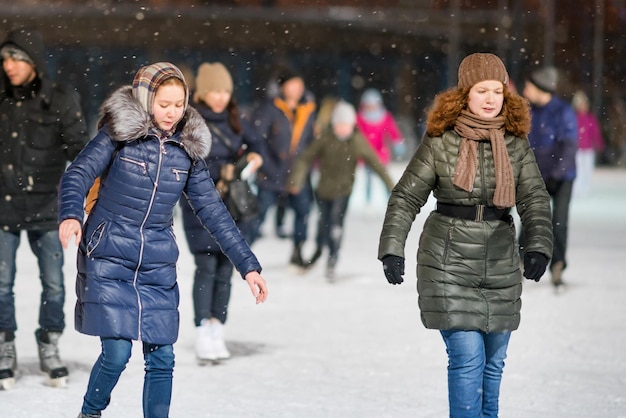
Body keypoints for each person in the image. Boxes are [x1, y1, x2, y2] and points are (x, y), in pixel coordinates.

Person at [57, 62, 268, 418]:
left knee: (162, 357)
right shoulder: (118, 132)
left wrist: (248, 266)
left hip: (156, 261)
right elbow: (78, 173)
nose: (172, 113)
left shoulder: (187, 150)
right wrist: (71, 214)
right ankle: (90, 413)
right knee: (117, 354)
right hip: (108, 253)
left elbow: (214, 211)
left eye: (178, 104)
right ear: (145, 99)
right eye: (164, 104)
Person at [378, 53, 553, 417]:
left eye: (497, 91)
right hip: (448, 261)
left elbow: (534, 197)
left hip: (500, 260)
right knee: (468, 359)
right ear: (464, 95)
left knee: (494, 361)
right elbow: (406, 195)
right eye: (481, 90)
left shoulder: (515, 143)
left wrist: (538, 244)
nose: (490, 99)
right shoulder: (441, 140)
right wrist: (392, 248)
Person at [0, 27, 89, 390]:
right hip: (3, 208)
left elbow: (80, 152)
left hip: (47, 208)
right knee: (1, 286)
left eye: (15, 58)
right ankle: (4, 346)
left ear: (32, 61)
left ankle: (49, 345)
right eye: (4, 59)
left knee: (53, 285)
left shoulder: (60, 98)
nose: (8, 66)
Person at [179, 62, 264, 363]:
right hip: (200, 204)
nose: (220, 97)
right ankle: (203, 327)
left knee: (227, 270)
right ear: (203, 91)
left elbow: (256, 145)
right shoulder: (190, 120)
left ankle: (218, 326)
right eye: (215, 90)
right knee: (206, 268)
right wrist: (220, 171)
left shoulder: (235, 118)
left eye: (225, 91)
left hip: (232, 207)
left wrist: (252, 157)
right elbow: (186, 159)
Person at [289, 100, 394, 280]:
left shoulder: (357, 140)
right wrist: (296, 180)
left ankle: (332, 259)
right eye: (339, 125)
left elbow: (376, 163)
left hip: (343, 191)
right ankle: (318, 251)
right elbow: (305, 158)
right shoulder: (325, 138)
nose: (342, 129)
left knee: (335, 225)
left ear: (352, 125)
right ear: (333, 124)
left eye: (346, 125)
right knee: (323, 224)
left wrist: (391, 186)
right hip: (322, 191)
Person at [251, 69, 317, 267]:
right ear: (283, 87)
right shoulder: (270, 108)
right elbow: (258, 139)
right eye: (293, 84)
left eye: (300, 84)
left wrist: (306, 166)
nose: (297, 89)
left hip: (298, 173)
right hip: (272, 171)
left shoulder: (309, 109)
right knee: (258, 213)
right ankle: (240, 253)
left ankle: (297, 251)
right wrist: (266, 165)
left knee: (303, 210)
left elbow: (311, 141)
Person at [522, 65, 578, 287]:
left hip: (562, 178)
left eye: (528, 86)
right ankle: (520, 262)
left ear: (539, 88)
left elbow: (569, 145)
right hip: (537, 176)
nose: (525, 90)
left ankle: (558, 265)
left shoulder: (562, 111)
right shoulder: (529, 111)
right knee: (529, 220)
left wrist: (557, 173)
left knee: (559, 223)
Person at [356, 88, 404, 203]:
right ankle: (367, 200)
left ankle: (389, 197)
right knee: (368, 179)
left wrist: (398, 143)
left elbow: (393, 131)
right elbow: (355, 134)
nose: (371, 107)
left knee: (384, 177)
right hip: (366, 154)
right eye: (369, 105)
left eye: (373, 105)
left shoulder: (384, 117)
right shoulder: (360, 118)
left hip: (381, 155)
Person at [571, 90, 604, 197]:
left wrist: (599, 144)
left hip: (588, 149)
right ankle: (577, 189)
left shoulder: (590, 118)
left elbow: (595, 132)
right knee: (578, 170)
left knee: (587, 169)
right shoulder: (574, 118)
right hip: (577, 149)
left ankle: (586, 188)